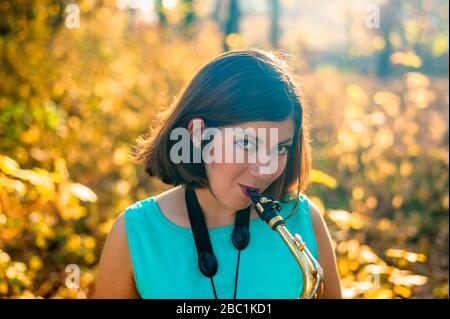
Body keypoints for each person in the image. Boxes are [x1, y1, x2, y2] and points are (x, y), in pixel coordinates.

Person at [95, 49, 342, 299]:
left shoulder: (303, 220)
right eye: (247, 144)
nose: (265, 169)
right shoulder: (134, 233)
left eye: (280, 148)